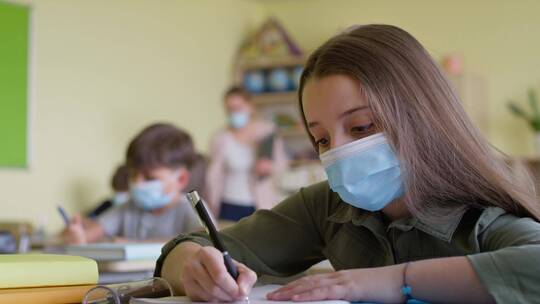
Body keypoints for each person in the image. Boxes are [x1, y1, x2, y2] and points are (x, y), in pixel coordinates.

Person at [155, 25, 540, 303]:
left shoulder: (482, 215)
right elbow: (186, 247)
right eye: (320, 138)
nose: (335, 151)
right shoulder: (328, 207)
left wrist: (390, 282)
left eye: (361, 127)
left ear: (423, 118)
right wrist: (196, 268)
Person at [62, 123, 203, 244]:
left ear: (181, 179)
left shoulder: (192, 208)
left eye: (149, 178)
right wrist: (78, 236)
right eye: (133, 175)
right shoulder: (128, 208)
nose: (137, 183)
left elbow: (202, 240)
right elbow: (92, 233)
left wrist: (136, 245)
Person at [206, 86, 288, 221]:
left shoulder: (267, 132)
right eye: (230, 109)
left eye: (238, 108)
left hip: (258, 203)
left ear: (250, 107)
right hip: (227, 204)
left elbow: (282, 166)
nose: (234, 113)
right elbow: (213, 175)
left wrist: (269, 167)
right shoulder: (220, 138)